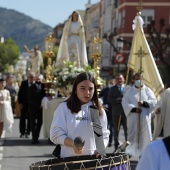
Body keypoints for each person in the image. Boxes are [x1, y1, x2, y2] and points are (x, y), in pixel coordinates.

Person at [50, 72, 110, 158]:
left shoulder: (97, 110)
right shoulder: (64, 108)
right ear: (75, 89)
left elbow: (103, 135)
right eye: (83, 88)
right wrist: (73, 144)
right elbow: (55, 134)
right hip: (68, 160)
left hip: (92, 162)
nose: (87, 93)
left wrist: (100, 149)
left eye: (90, 89)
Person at [122, 73, 157, 157]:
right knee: (132, 140)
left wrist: (144, 103)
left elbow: (154, 101)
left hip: (144, 120)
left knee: (145, 140)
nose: (138, 81)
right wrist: (134, 109)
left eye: (140, 79)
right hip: (133, 120)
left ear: (143, 79)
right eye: (137, 79)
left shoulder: (148, 90)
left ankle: (144, 159)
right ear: (134, 80)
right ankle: (128, 159)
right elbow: (125, 102)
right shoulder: (129, 91)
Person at [107, 74, 128, 152]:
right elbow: (109, 99)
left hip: (126, 112)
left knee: (127, 130)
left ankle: (127, 146)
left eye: (120, 79)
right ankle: (116, 147)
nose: (119, 80)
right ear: (115, 80)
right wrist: (119, 100)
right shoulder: (112, 89)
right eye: (117, 79)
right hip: (116, 113)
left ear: (123, 79)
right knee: (116, 130)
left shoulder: (127, 88)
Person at [28, 74, 46, 144]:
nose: (38, 80)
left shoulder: (44, 87)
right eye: (37, 79)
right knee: (32, 122)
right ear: (35, 79)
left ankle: (37, 136)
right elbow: (30, 99)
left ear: (42, 80)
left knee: (39, 122)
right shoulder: (31, 87)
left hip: (41, 109)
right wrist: (37, 105)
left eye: (39, 79)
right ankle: (33, 137)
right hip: (33, 108)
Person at [18, 72, 35, 138]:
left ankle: (28, 132)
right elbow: (20, 93)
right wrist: (20, 103)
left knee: (30, 118)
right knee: (23, 118)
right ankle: (22, 132)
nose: (32, 79)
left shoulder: (35, 84)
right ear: (28, 77)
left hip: (31, 105)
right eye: (31, 77)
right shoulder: (24, 83)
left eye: (33, 77)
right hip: (24, 104)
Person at [99, 78, 115, 147]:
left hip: (113, 110)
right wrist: (102, 104)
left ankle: (110, 141)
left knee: (111, 127)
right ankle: (104, 140)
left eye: (112, 83)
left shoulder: (114, 90)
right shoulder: (105, 90)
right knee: (105, 127)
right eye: (110, 83)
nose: (111, 84)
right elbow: (99, 96)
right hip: (105, 111)